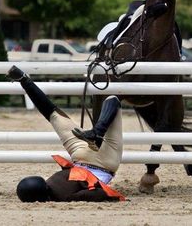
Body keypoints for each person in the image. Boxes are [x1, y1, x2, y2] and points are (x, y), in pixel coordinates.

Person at [7, 65, 125, 202]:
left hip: (105, 162)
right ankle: (23, 80)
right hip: (80, 155)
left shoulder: (61, 196)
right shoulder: (52, 184)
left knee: (114, 100)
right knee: (53, 115)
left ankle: (97, 133)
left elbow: (97, 194)